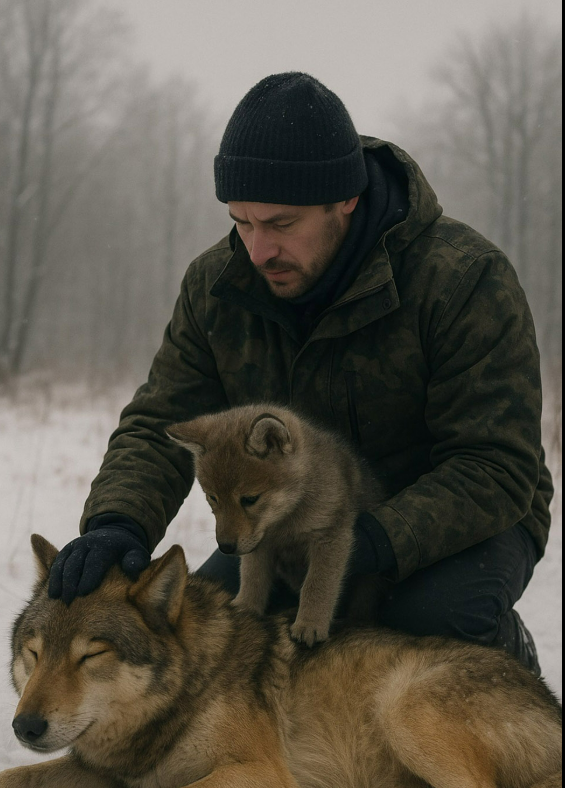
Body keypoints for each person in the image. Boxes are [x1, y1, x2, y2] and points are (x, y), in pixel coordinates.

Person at [48, 72, 552, 676]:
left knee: (418, 619)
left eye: (281, 224)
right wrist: (117, 523)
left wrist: (366, 543)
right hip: (285, 519)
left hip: (458, 525)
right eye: (242, 221)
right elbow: (162, 419)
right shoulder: (218, 286)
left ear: (346, 199)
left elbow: (497, 467)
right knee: (201, 633)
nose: (258, 250)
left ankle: (505, 653)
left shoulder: (463, 279)